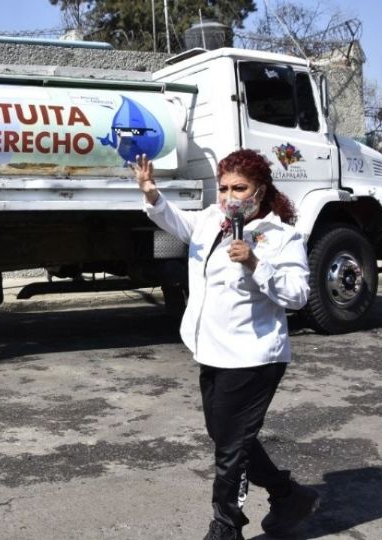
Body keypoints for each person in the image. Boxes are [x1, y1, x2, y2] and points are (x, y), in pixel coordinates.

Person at [133, 149, 318, 540]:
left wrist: (255, 262)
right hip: (212, 350)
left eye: (240, 188)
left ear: (260, 191)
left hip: (254, 356)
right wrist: (150, 192)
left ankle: (226, 526)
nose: (229, 197)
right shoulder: (210, 223)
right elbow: (175, 221)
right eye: (223, 188)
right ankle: (288, 495)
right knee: (228, 438)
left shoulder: (281, 237)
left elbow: (299, 295)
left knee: (230, 450)